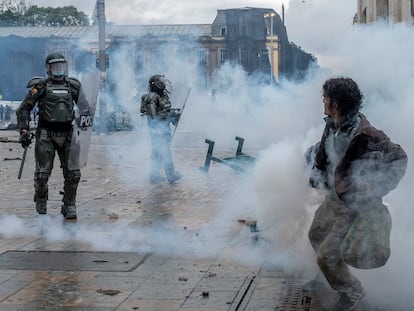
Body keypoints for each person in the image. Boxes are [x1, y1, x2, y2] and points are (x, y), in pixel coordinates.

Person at [306, 77, 407, 310]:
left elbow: (399, 159)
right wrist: (312, 165)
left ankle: (352, 291)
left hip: (352, 205)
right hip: (333, 198)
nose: (323, 100)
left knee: (327, 255)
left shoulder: (368, 134)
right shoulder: (331, 124)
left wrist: (376, 187)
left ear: (336, 103)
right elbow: (324, 149)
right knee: (315, 236)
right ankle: (328, 278)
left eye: (326, 97)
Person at [16, 53, 84, 220]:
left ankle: (69, 204)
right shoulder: (40, 86)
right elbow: (24, 109)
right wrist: (24, 131)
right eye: (56, 67)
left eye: (62, 66)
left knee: (73, 173)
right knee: (42, 175)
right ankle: (41, 197)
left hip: (68, 133)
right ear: (48, 68)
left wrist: (85, 121)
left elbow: (85, 107)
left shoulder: (73, 86)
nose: (59, 70)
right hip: (46, 133)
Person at [140, 74, 182, 184]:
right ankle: (171, 175)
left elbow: (164, 111)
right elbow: (154, 117)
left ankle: (154, 176)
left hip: (163, 128)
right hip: (156, 130)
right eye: (161, 81)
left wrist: (173, 116)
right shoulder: (152, 97)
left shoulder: (163, 95)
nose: (164, 83)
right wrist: (169, 116)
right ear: (156, 84)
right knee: (165, 152)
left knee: (158, 153)